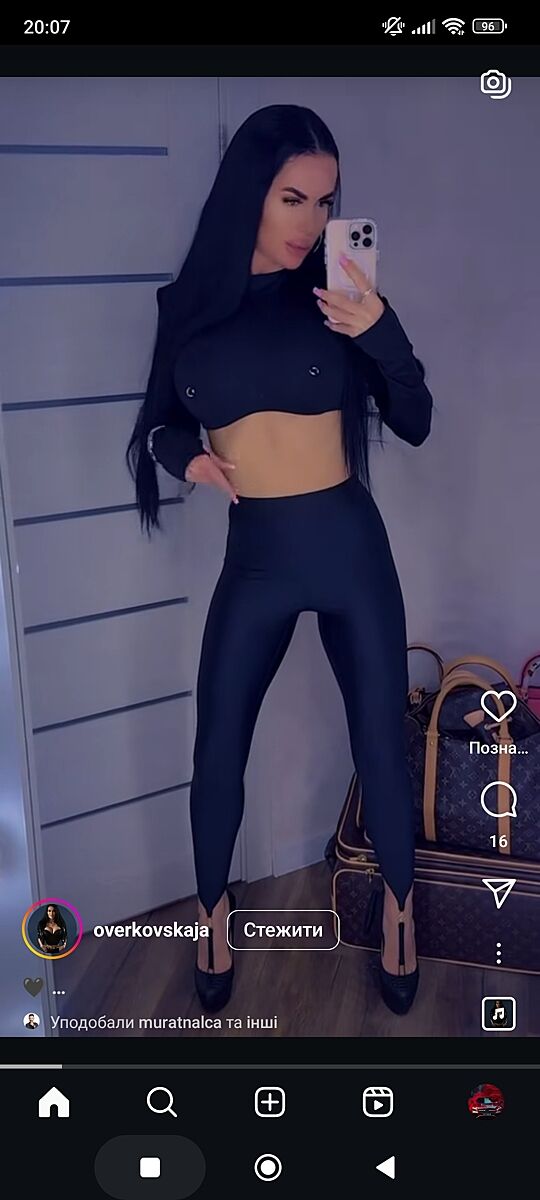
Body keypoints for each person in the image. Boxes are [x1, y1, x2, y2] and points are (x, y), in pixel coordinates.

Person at [126, 104, 433, 1017]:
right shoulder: (188, 309)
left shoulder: (338, 297)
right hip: (256, 562)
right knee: (218, 746)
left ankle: (403, 915)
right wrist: (185, 459)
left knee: (380, 743)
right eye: (292, 197)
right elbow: (157, 425)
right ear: (248, 193)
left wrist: (379, 328)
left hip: (350, 554)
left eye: (325, 201)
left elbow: (415, 419)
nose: (310, 220)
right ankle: (212, 918)